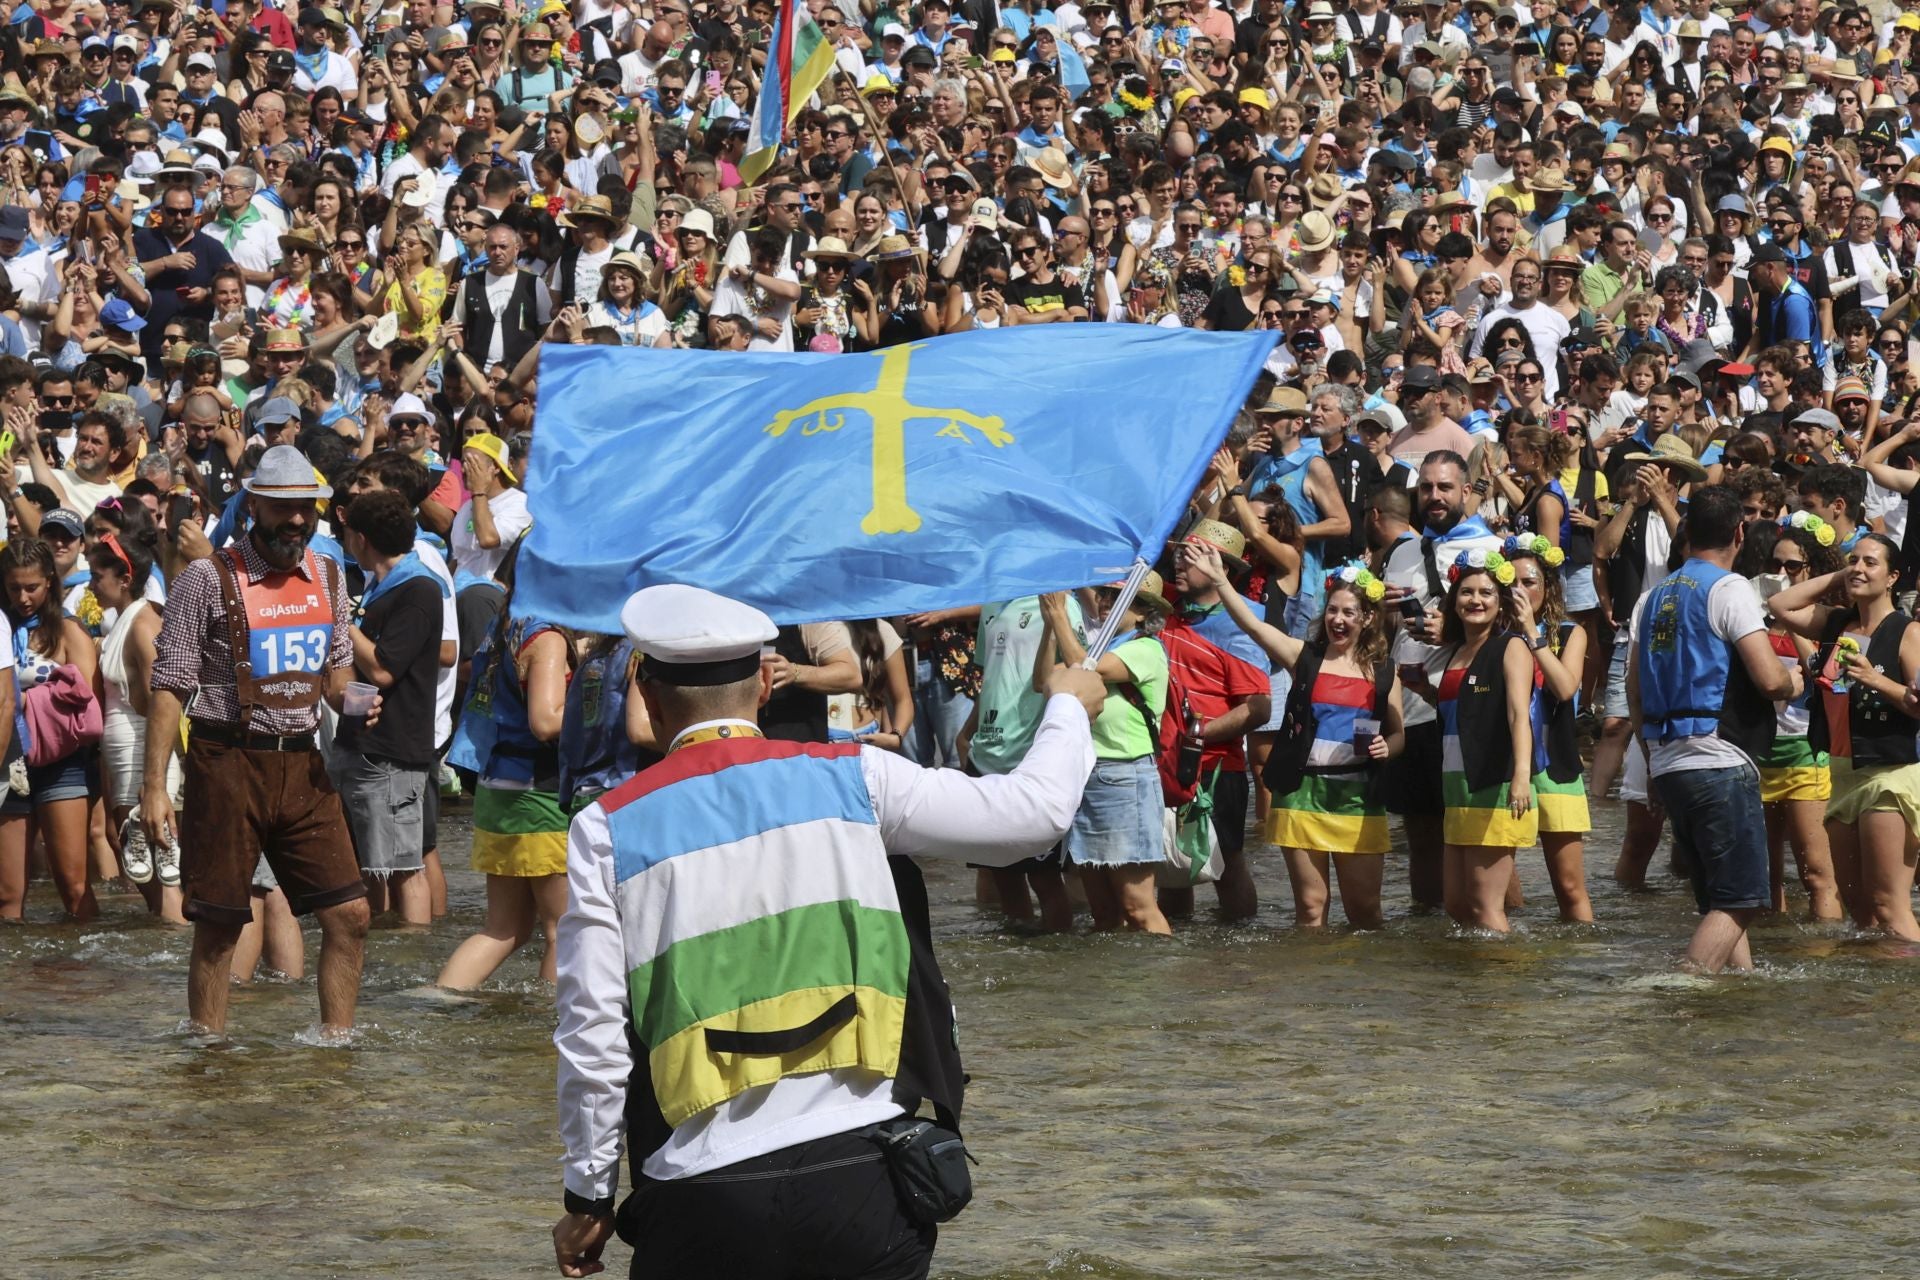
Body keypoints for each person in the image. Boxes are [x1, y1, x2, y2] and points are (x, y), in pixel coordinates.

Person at [550, 584, 1102, 1280]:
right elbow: (1034, 814)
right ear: (761, 688)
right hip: (867, 1177)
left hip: (702, 1196)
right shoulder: (859, 778)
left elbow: (592, 1036)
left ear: (649, 697)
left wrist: (588, 1195)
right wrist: (1067, 707)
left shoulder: (605, 827)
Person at [142, 446, 370, 1036]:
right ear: (254, 505)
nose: (296, 521)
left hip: (303, 762)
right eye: (283, 509)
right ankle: (208, 1051)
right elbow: (169, 685)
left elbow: (337, 672)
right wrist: (153, 789)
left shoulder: (329, 574)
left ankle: (335, 1046)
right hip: (226, 760)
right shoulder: (205, 578)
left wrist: (353, 701)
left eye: (306, 509)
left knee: (350, 913)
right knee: (220, 926)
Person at [1628, 485, 1802, 972]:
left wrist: (1651, 765)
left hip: (1666, 762)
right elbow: (1768, 680)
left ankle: (1739, 988)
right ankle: (1685, 983)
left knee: (1717, 899)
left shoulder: (1651, 597)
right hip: (1719, 759)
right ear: (1739, 532)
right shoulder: (1730, 589)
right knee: (1743, 899)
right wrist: (1794, 680)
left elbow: (1635, 693)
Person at [1769, 531, 1920, 939]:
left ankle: (1909, 990)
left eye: (1871, 563)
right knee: (1858, 913)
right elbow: (1780, 604)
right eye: (1855, 560)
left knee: (1889, 906)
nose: (1859, 568)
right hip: (1840, 771)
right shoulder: (1836, 623)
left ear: (1893, 578)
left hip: (1888, 773)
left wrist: (1876, 679)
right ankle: (1867, 1000)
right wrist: (1842, 575)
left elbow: (1917, 703)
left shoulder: (1907, 632)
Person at [333, 488, 448, 926]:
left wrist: (340, 620)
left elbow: (383, 670)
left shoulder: (418, 589)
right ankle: (379, 946)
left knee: (403, 868)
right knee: (371, 867)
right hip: (366, 745)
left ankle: (411, 956)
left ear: (361, 538)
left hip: (395, 751)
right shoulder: (381, 586)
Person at [1411, 548, 1537, 933]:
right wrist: (1425, 692)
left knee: (1484, 906)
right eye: (1467, 592)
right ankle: (1474, 982)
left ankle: (1503, 985)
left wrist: (1520, 776)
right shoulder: (1456, 653)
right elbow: (1465, 712)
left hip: (1493, 785)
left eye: (1486, 593)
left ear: (1500, 604)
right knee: (1456, 904)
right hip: (1456, 789)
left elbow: (1518, 714)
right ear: (1454, 600)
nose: (1475, 600)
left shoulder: (1511, 646)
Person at [1037, 578, 1172, 935]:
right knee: (1104, 913)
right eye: (1106, 594)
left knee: (1137, 906)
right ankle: (1115, 985)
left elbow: (1083, 673)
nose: (1105, 600)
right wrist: (1051, 625)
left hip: (1125, 779)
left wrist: (1060, 617)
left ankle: (1163, 981)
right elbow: (1043, 680)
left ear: (1144, 612)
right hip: (1087, 778)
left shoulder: (1145, 648)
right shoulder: (1099, 648)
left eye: (1119, 597)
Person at [0, 536, 95, 923]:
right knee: (8, 896)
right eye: (13, 588)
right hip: (10, 759)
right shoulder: (2, 629)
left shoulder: (69, 630)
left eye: (32, 588)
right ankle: (16, 979)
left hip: (62, 762)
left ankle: (83, 974)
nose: (23, 598)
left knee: (73, 886)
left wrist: (25, 700)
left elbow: (87, 696)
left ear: (50, 584)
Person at [92, 531, 182, 923]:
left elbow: (159, 701)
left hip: (143, 753)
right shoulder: (124, 620)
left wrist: (154, 780)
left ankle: (173, 954)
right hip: (126, 755)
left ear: (123, 578)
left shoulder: (144, 623)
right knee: (143, 866)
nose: (92, 584)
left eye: (98, 576)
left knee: (164, 875)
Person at [1505, 535, 1594, 923]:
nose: (1520, 591)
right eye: (1512, 582)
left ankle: (1579, 966)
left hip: (1556, 767)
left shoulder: (1571, 634)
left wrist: (1531, 632)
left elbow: (1565, 687)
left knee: (1570, 887)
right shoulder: (1493, 636)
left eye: (1529, 582)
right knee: (1502, 891)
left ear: (1549, 587)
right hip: (1503, 768)